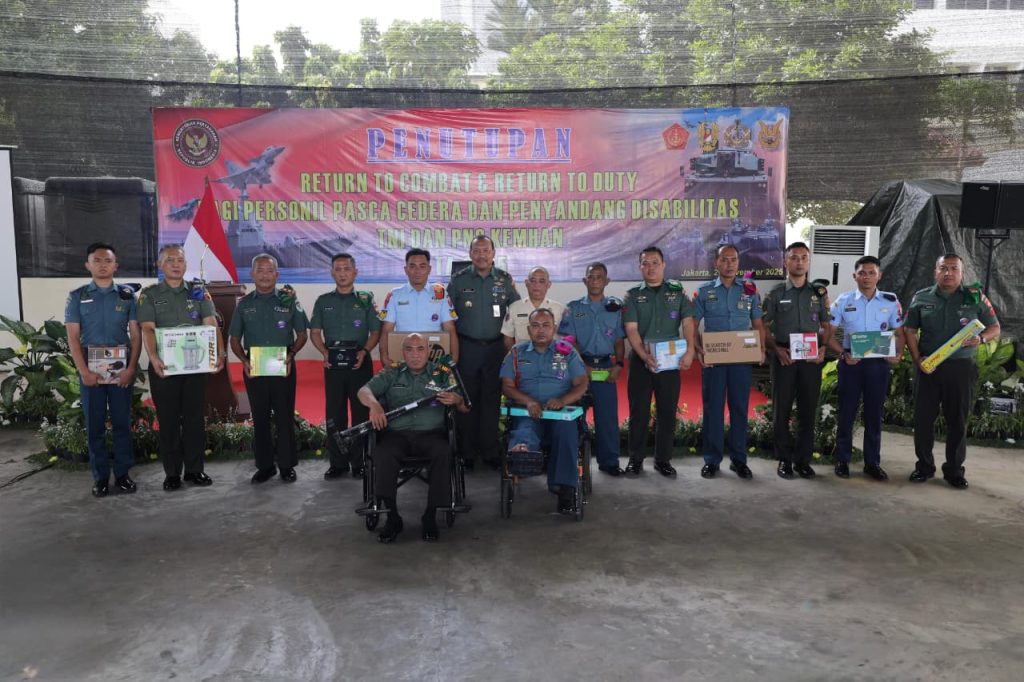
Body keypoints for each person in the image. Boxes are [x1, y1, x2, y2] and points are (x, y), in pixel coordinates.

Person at [358, 333, 469, 543]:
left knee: (443, 452)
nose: (415, 355)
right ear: (403, 352)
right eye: (409, 349)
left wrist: (457, 399)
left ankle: (430, 516)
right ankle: (392, 517)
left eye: (420, 349)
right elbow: (364, 390)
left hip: (431, 434)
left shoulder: (442, 374)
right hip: (397, 435)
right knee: (383, 454)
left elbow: (465, 407)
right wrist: (374, 405)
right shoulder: (392, 372)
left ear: (428, 352)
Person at [903, 253, 1000, 489]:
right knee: (923, 419)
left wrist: (981, 338)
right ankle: (924, 467)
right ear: (935, 271)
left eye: (954, 268)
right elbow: (909, 330)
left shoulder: (976, 297)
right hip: (928, 367)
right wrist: (917, 359)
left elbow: (995, 327)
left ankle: (954, 470)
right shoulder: (921, 297)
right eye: (943, 268)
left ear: (962, 273)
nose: (948, 273)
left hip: (961, 368)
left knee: (958, 420)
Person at [138, 244, 225, 491]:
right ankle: (172, 473)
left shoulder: (198, 292)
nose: (176, 264)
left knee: (194, 420)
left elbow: (211, 324)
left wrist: (219, 352)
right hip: (165, 368)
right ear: (160, 265)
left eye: (180, 260)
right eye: (170, 260)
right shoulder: (150, 295)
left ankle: (195, 470)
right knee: (168, 421)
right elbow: (147, 329)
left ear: (186, 265)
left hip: (195, 367)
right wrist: (153, 357)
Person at [64, 242, 142, 497]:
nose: (102, 265)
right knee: (95, 425)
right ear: (87, 265)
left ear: (115, 265)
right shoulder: (77, 296)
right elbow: (73, 338)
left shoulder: (127, 296)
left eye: (108, 260)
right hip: (91, 367)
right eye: (96, 260)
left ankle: (122, 475)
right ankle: (100, 478)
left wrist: (131, 368)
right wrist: (84, 372)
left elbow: (136, 335)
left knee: (121, 423)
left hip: (120, 366)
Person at [228, 254, 309, 484]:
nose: (265, 275)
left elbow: (302, 335)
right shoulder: (244, 304)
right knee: (260, 417)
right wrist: (244, 361)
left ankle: (286, 465)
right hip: (254, 366)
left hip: (283, 364)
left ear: (277, 275)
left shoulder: (289, 301)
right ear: (252, 274)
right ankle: (265, 466)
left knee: (284, 416)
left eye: (269, 270)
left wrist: (291, 355)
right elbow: (234, 339)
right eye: (260, 270)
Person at [500, 308, 589, 513]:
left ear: (554, 328)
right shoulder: (516, 352)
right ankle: (523, 455)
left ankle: (563, 488)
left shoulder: (567, 351)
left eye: (546, 325)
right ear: (528, 329)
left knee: (566, 432)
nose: (541, 330)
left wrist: (562, 400)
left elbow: (582, 384)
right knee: (524, 430)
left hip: (561, 413)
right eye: (536, 325)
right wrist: (529, 401)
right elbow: (507, 386)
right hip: (527, 411)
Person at [826, 256, 906, 481]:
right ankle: (842, 460)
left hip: (878, 364)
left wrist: (898, 354)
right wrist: (843, 354)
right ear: (855, 276)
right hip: (851, 362)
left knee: (874, 414)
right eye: (862, 273)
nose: (867, 277)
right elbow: (828, 335)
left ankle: (872, 463)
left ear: (879, 275)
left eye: (872, 273)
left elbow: (900, 333)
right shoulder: (843, 301)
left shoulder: (890, 301)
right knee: (846, 412)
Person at [692, 244, 766, 480]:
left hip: (740, 361)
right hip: (714, 361)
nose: (729, 264)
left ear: (738, 263)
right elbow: (692, 324)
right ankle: (712, 460)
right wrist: (698, 348)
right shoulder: (704, 292)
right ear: (716, 263)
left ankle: (739, 460)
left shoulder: (749, 290)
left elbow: (758, 323)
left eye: (733, 259)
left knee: (739, 409)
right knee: (713, 409)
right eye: (724, 259)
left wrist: (761, 348)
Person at [447, 235, 520, 469]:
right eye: (476, 251)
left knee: (491, 399)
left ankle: (489, 451)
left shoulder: (505, 280)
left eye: (485, 250)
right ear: (470, 254)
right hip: (466, 347)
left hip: (495, 348)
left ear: (493, 253)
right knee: (466, 399)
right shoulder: (458, 280)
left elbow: (516, 311)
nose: (481, 255)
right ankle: (467, 453)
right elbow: (446, 315)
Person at [622, 246, 696, 478]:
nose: (650, 267)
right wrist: (644, 355)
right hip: (641, 360)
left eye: (655, 262)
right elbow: (631, 329)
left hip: (669, 361)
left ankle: (663, 460)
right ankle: (635, 459)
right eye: (645, 263)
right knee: (639, 413)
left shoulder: (677, 292)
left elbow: (688, 322)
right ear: (640, 267)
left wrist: (690, 350)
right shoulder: (632, 295)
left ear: (663, 265)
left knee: (667, 412)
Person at [762, 241, 832, 480]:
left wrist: (823, 348)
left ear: (809, 262)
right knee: (781, 409)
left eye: (804, 257)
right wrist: (775, 349)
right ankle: (784, 459)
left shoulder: (818, 293)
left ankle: (803, 460)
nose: (799, 262)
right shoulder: (776, 293)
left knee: (807, 409)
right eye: (794, 257)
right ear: (785, 261)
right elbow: (762, 325)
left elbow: (826, 324)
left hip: (811, 359)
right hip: (785, 357)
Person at [309, 253, 381, 480]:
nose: (342, 274)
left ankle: (360, 463)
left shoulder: (366, 299)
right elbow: (315, 332)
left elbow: (376, 331)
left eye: (347, 269)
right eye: (338, 269)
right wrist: (324, 352)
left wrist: (364, 351)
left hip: (360, 363)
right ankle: (338, 463)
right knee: (335, 414)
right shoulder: (323, 301)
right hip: (333, 365)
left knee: (361, 413)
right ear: (332, 273)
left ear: (355, 272)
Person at [558, 262, 626, 476]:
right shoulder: (573, 308)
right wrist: (582, 366)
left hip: (606, 366)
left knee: (607, 418)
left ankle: (609, 462)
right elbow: (569, 340)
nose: (595, 281)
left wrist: (619, 364)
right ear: (584, 281)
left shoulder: (615, 308)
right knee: (573, 417)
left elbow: (619, 340)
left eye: (599, 277)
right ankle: (573, 461)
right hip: (579, 368)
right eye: (591, 277)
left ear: (607, 281)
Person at [378, 247, 459, 367]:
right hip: (403, 356)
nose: (417, 271)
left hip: (434, 357)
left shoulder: (440, 293)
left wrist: (453, 359)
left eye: (422, 266)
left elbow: (450, 329)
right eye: (412, 266)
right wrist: (384, 357)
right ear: (406, 270)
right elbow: (386, 330)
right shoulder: (395, 295)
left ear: (429, 269)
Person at [502, 266, 565, 348]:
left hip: (551, 354)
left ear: (549, 284)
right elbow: (508, 337)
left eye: (541, 281)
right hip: (523, 354)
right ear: (526, 283)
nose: (536, 285)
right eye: (532, 281)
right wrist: (516, 354)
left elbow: (565, 338)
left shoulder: (559, 309)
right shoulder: (514, 308)